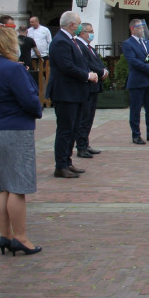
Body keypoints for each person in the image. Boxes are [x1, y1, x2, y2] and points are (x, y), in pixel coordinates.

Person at [0, 26, 43, 256]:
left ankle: (5, 235)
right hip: (15, 128)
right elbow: (29, 99)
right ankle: (21, 237)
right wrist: (37, 110)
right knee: (17, 187)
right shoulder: (13, 68)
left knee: (0, 186)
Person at [47, 11, 98, 178]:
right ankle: (61, 165)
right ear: (71, 25)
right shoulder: (60, 42)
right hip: (65, 93)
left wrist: (90, 72)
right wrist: (87, 75)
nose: (80, 27)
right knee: (65, 130)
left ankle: (67, 162)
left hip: (75, 92)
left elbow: (80, 62)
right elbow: (67, 67)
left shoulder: (71, 41)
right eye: (79, 24)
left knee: (73, 128)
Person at [122, 18, 149, 144]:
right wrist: (148, 68)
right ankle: (136, 134)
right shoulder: (128, 44)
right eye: (139, 28)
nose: (142, 30)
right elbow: (133, 61)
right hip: (137, 81)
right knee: (135, 109)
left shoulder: (147, 42)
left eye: (142, 28)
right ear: (132, 29)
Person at [76, 22, 109, 158]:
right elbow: (86, 63)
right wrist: (101, 72)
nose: (92, 33)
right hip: (87, 85)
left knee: (89, 117)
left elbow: (97, 61)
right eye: (90, 31)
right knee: (84, 117)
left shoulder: (88, 47)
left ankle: (85, 143)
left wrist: (104, 70)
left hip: (94, 86)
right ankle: (81, 146)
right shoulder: (79, 46)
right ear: (83, 33)